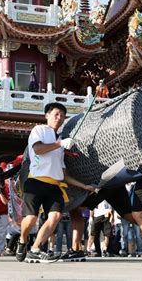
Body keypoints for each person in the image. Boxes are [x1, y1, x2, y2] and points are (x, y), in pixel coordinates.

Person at [16, 102, 96, 263]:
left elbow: (64, 174)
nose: (59, 118)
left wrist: (84, 186)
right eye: (56, 114)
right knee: (31, 219)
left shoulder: (60, 141)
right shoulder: (39, 130)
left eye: (62, 116)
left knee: (56, 216)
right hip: (36, 182)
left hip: (54, 185)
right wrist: (60, 144)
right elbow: (38, 149)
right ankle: (23, 240)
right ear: (47, 115)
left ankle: (35, 249)